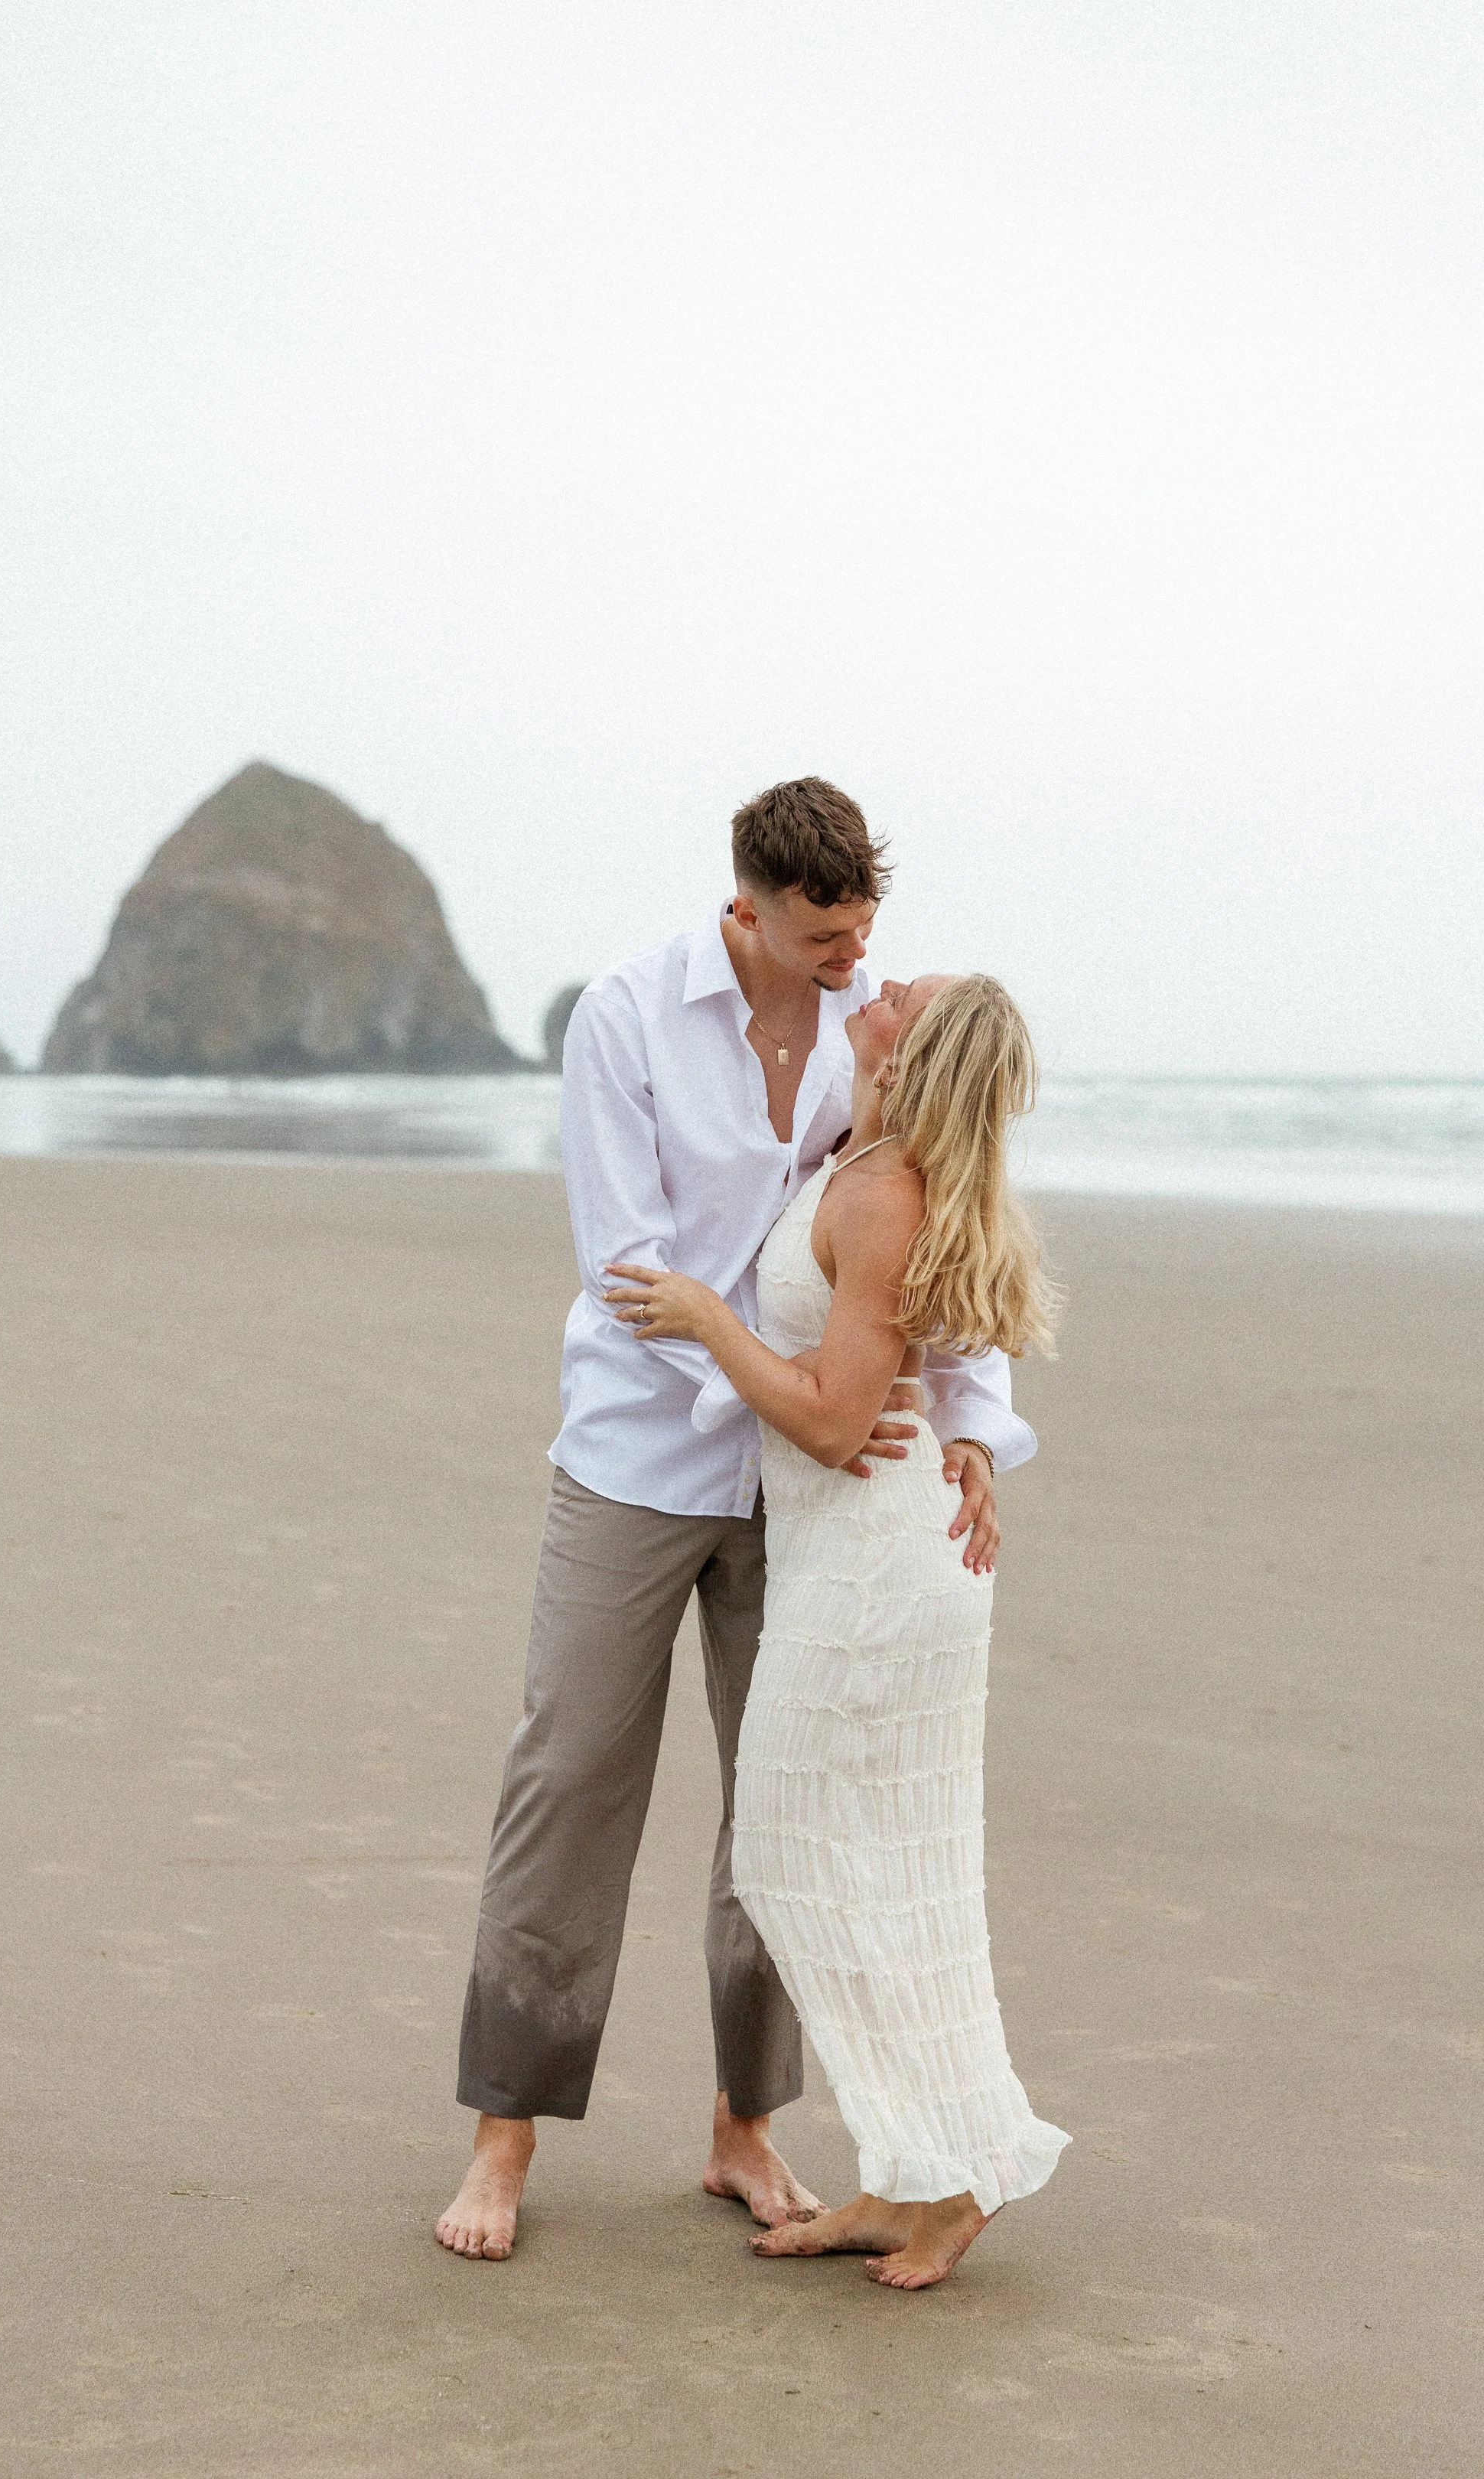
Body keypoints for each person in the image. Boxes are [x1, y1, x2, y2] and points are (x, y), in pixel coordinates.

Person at [435, 781, 1037, 2263]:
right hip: (641, 1460)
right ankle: (504, 2136)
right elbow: (634, 1276)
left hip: (803, 1494)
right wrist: (797, 1389)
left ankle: (745, 2124)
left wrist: (965, 1428)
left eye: (865, 934)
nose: (854, 961)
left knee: (774, 1808)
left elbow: (931, 1239)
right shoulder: (627, 1022)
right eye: (828, 936)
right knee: (569, 1772)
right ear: (749, 906)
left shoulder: (878, 1034)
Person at [605, 973, 1068, 2289]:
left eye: (908, 995)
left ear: (912, 1052)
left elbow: (825, 1415)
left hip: (881, 1570)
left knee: (808, 1857)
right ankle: (908, 2175)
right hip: (859, 1560)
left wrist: (707, 1317)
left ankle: (959, 2177)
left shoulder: (882, 1193)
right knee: (872, 1867)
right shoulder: (859, 1151)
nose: (887, 980)